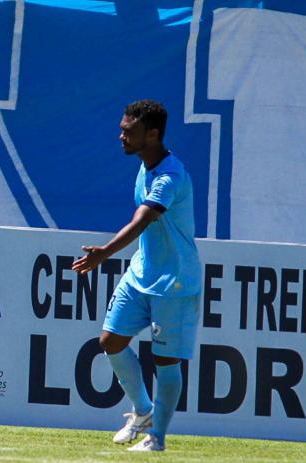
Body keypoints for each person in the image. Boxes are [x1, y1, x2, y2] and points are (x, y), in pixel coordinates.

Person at [72, 100, 200, 452]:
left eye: (129, 131)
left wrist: (104, 253)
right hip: (140, 274)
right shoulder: (145, 167)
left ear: (153, 134)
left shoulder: (171, 175)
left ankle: (156, 437)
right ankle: (143, 411)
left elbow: (143, 219)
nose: (121, 136)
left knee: (165, 361)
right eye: (122, 128)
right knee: (110, 341)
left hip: (173, 281)